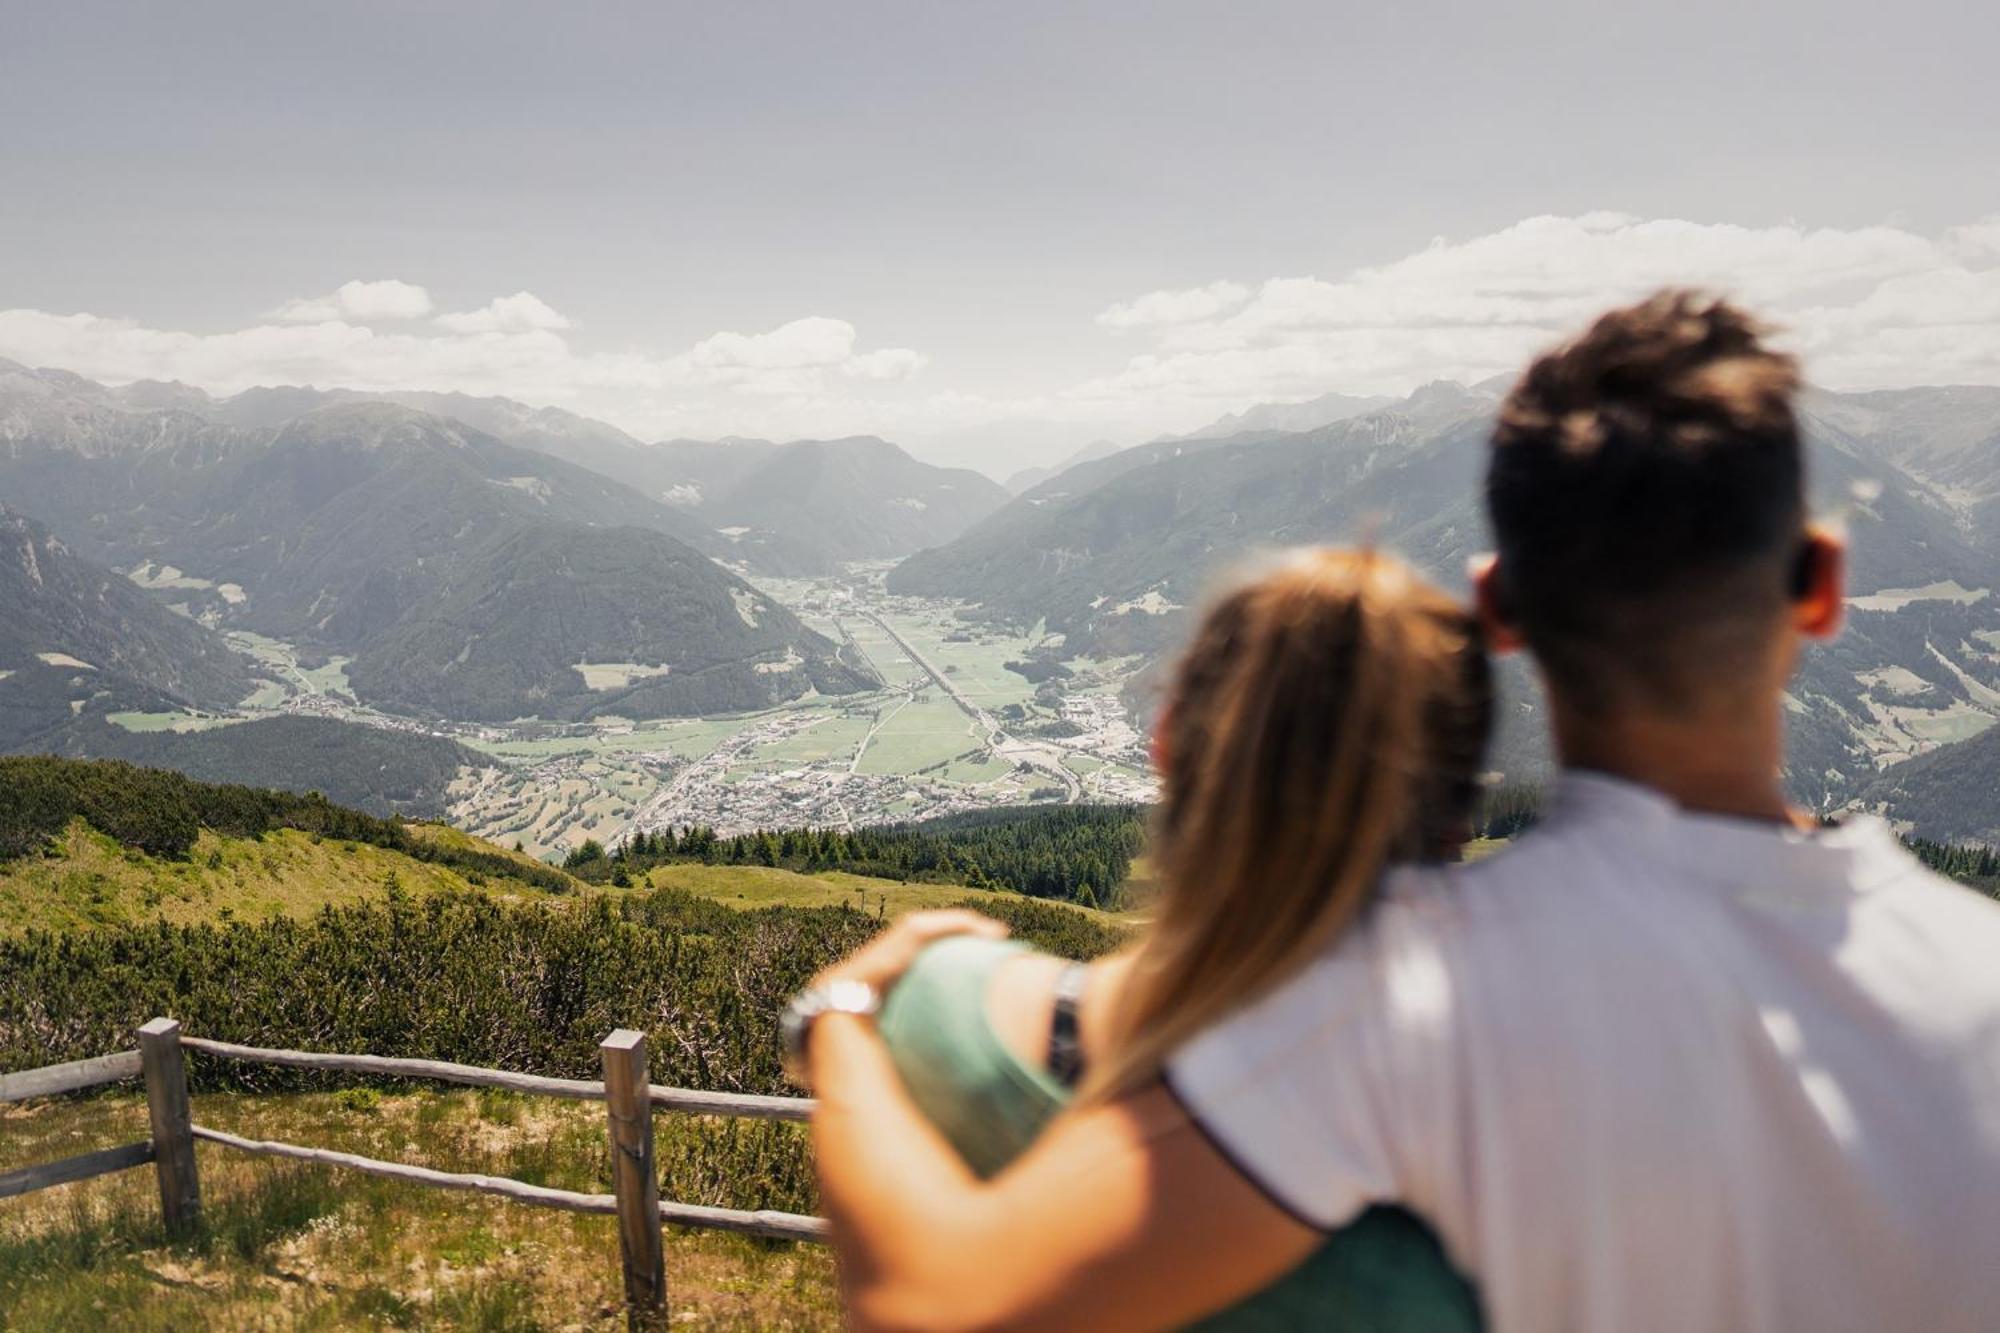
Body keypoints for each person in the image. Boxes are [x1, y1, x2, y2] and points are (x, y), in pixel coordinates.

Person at [788, 291, 2000, 1331]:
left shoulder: (1398, 987)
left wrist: (840, 1014)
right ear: (1824, 584)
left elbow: (941, 1303)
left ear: (1498, 605)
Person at [874, 548, 1492, 1331]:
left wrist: (836, 1021)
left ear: (1164, 741)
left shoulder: (941, 1011)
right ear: (1457, 818)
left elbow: (916, 1302)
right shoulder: (1512, 1150)